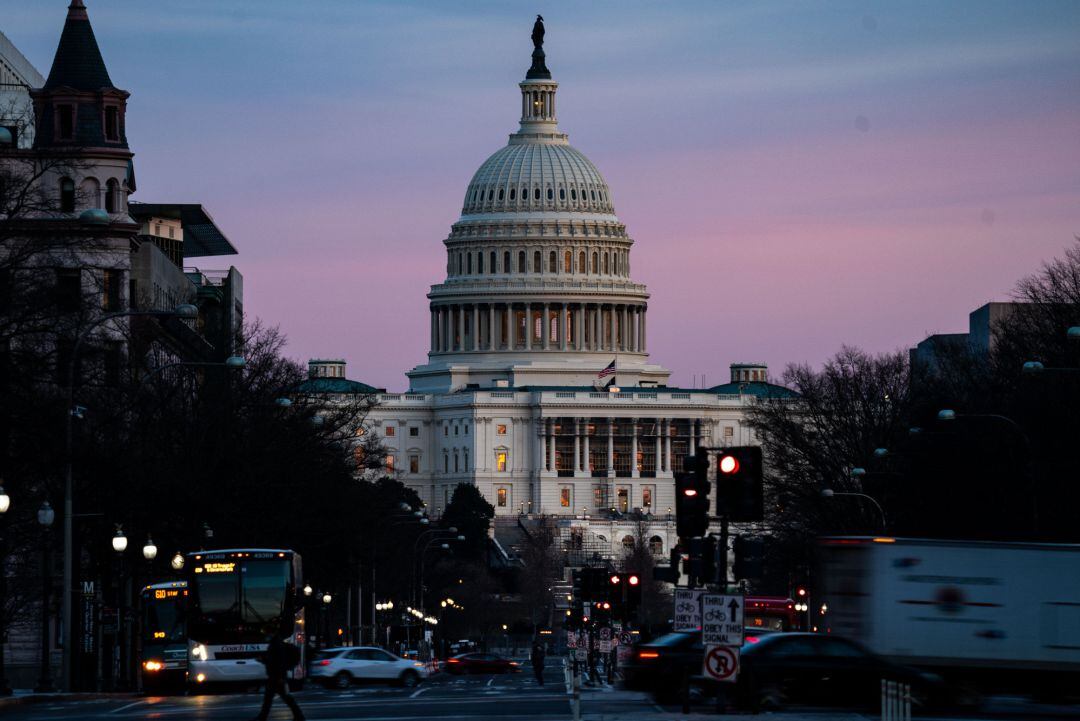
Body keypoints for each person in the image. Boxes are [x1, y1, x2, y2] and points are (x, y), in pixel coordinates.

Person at [252, 628, 305, 721]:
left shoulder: (276, 644)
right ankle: (299, 716)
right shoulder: (276, 643)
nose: (266, 636)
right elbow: (274, 660)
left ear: (272, 633)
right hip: (276, 676)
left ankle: (299, 716)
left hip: (276, 677)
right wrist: (264, 659)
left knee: (273, 699)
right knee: (282, 698)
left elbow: (279, 662)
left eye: (267, 633)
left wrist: (280, 676)